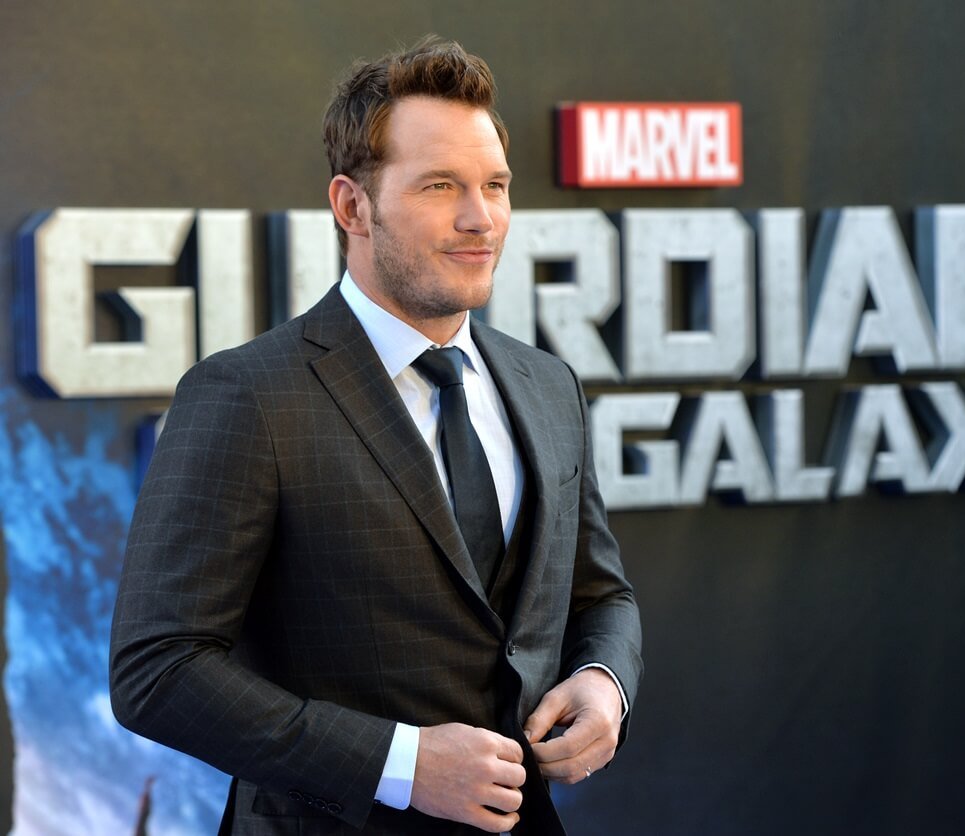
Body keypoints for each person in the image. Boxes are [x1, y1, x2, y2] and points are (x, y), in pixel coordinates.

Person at [109, 36, 642, 836]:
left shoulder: (547, 385)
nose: (481, 218)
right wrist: (399, 764)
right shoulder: (248, 395)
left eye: (495, 185)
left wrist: (606, 680)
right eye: (440, 186)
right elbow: (158, 669)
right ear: (352, 206)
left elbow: (599, 595)